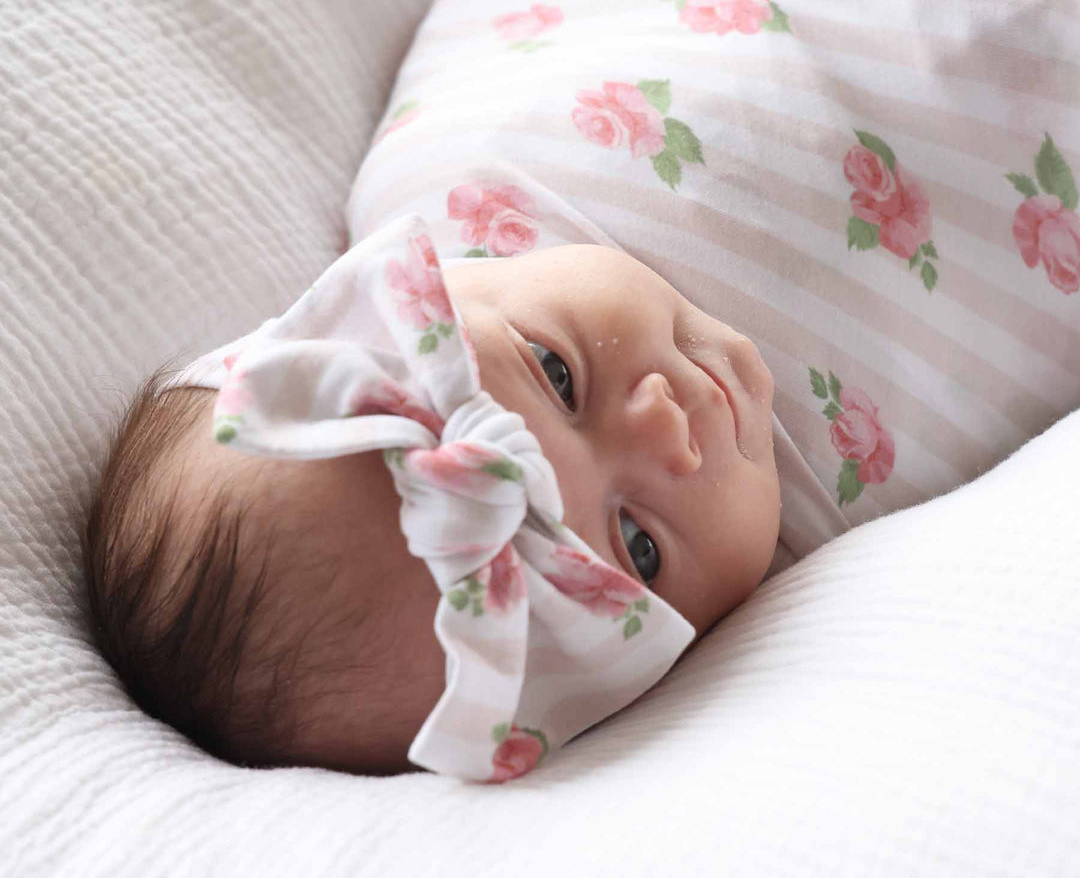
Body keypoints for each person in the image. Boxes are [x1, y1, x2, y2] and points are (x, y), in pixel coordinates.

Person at [83, 214, 781, 782]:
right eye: (639, 546)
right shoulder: (818, 556)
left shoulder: (470, 170)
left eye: (556, 373)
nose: (666, 423)